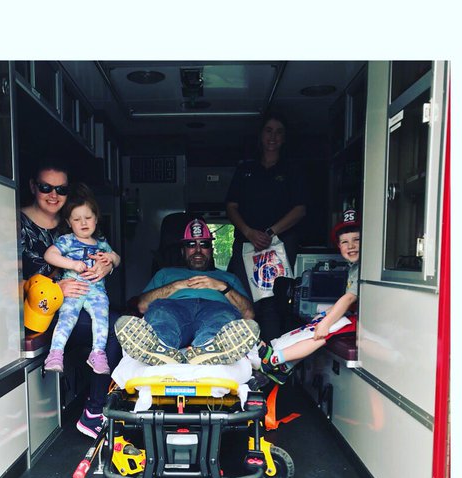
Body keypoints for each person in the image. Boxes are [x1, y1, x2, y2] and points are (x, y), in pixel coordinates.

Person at [19, 162, 116, 432]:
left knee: (117, 325)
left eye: (60, 189)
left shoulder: (75, 221)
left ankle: (94, 409)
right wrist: (56, 288)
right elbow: (2, 278)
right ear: (32, 187)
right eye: (45, 187)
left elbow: (104, 251)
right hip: (40, 311)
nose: (53, 194)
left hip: (83, 299)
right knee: (112, 332)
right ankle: (95, 413)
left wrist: (107, 264)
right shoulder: (17, 224)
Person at [114, 218, 258, 366]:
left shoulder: (228, 278)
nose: (198, 250)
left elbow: (248, 314)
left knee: (223, 318)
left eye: (204, 244)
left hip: (216, 309)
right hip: (173, 308)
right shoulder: (165, 274)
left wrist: (222, 287)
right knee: (161, 315)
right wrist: (177, 285)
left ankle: (207, 350)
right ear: (183, 251)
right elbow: (143, 306)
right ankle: (161, 349)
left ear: (211, 249)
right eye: (191, 245)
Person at [225, 112, 307, 341]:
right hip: (246, 243)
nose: (273, 136)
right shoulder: (246, 169)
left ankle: (271, 359)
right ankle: (243, 356)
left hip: (279, 243)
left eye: (279, 132)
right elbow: (231, 206)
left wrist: (271, 233)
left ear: (285, 137)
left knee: (273, 301)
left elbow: (300, 209)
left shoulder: (292, 169)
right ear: (260, 135)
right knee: (241, 297)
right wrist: (249, 232)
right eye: (268, 130)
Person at [257, 211, 361, 383]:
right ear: (339, 246)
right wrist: (325, 316)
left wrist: (326, 323)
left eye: (356, 240)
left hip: (362, 322)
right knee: (311, 327)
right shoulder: (353, 268)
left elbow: (349, 299)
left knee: (319, 336)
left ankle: (274, 359)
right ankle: (284, 367)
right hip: (354, 316)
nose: (351, 246)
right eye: (345, 242)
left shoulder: (362, 268)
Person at [43, 186, 121, 375]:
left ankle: (97, 354)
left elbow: (117, 258)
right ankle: (55, 353)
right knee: (67, 318)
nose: (83, 223)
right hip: (75, 289)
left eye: (88, 218)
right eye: (77, 219)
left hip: (96, 292)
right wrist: (72, 264)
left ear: (96, 218)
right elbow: (49, 255)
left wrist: (110, 260)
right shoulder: (67, 240)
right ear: (69, 222)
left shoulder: (100, 242)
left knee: (102, 319)